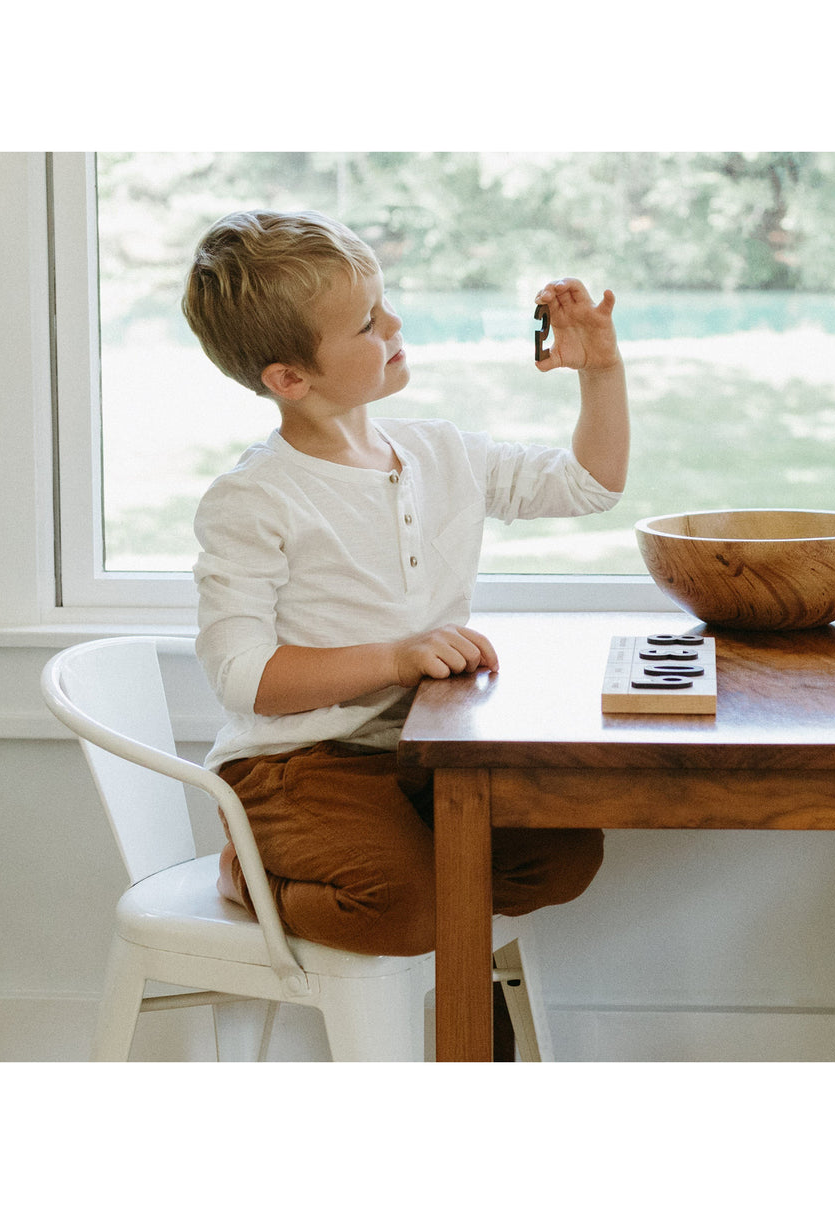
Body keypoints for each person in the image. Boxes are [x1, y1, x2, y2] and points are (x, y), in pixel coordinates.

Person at [184, 209, 629, 958]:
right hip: (297, 762)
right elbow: (242, 677)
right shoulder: (253, 498)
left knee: (563, 856)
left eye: (383, 303)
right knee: (405, 908)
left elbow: (590, 485)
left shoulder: (438, 451)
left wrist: (602, 372)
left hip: (424, 751)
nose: (393, 323)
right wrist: (395, 657)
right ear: (289, 378)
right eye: (365, 323)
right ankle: (248, 873)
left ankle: (413, 883)